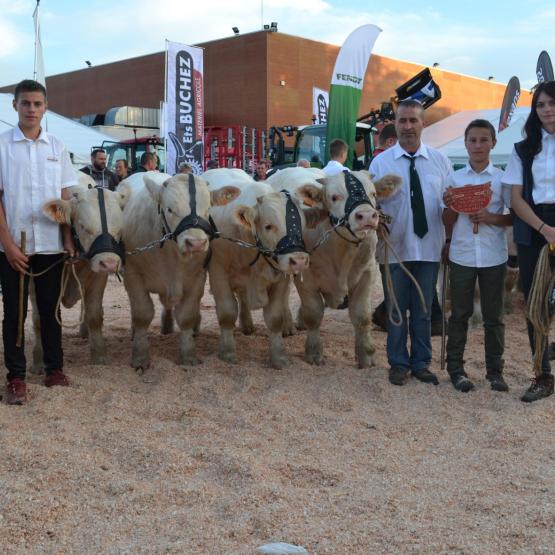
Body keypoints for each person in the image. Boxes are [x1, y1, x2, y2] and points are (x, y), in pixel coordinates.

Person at [0, 79, 77, 405]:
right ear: (15, 105)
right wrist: (8, 245)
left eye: (37, 104)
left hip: (50, 244)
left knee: (50, 310)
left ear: (45, 108)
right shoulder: (2, 146)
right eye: (26, 103)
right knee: (14, 312)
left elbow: (64, 196)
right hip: (13, 245)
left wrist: (68, 237)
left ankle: (53, 368)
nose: (32, 109)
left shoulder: (57, 147)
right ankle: (16, 376)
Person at [370, 99, 452, 387]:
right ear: (396, 123)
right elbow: (372, 206)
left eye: (413, 121)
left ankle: (421, 363)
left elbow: (448, 204)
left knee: (424, 310)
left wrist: (450, 239)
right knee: (395, 309)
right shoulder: (380, 163)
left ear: (422, 123)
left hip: (430, 248)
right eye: (402, 121)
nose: (407, 126)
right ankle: (398, 363)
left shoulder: (440, 161)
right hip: (395, 248)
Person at [442, 119, 513, 393]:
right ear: (465, 143)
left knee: (494, 316)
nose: (478, 145)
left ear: (493, 143)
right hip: (462, 254)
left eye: (484, 140)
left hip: (494, 256)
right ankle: (456, 370)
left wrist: (491, 217)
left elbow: (512, 218)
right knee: (460, 313)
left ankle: (495, 371)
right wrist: (451, 206)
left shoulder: (502, 179)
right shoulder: (454, 178)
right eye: (472, 140)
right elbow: (445, 218)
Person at [502, 80, 555, 402]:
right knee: (535, 302)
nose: (547, 109)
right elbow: (515, 198)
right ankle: (542, 374)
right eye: (541, 105)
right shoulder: (523, 148)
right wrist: (544, 229)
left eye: (551, 103)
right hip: (533, 229)